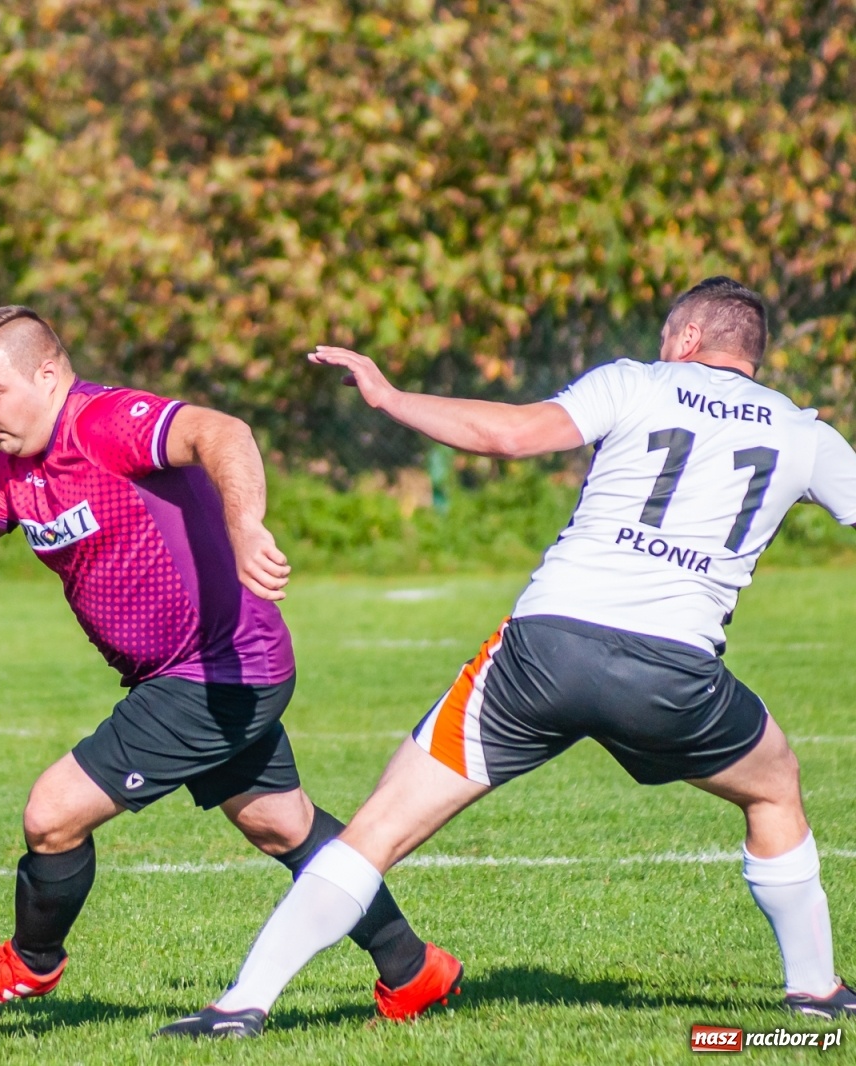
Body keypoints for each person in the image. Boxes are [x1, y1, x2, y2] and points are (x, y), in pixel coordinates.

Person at [0, 305, 462, 1023]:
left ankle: (30, 962)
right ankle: (411, 967)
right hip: (187, 673)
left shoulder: (106, 423)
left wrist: (245, 523)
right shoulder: (15, 476)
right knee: (279, 824)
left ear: (48, 377)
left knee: (53, 814)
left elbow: (223, 432)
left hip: (215, 668)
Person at [160, 277, 856, 1038]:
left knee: (377, 831)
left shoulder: (637, 382)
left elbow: (511, 435)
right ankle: (815, 992)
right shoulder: (804, 433)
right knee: (775, 786)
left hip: (545, 649)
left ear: (686, 340)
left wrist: (392, 398)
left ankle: (240, 1006)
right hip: (673, 673)